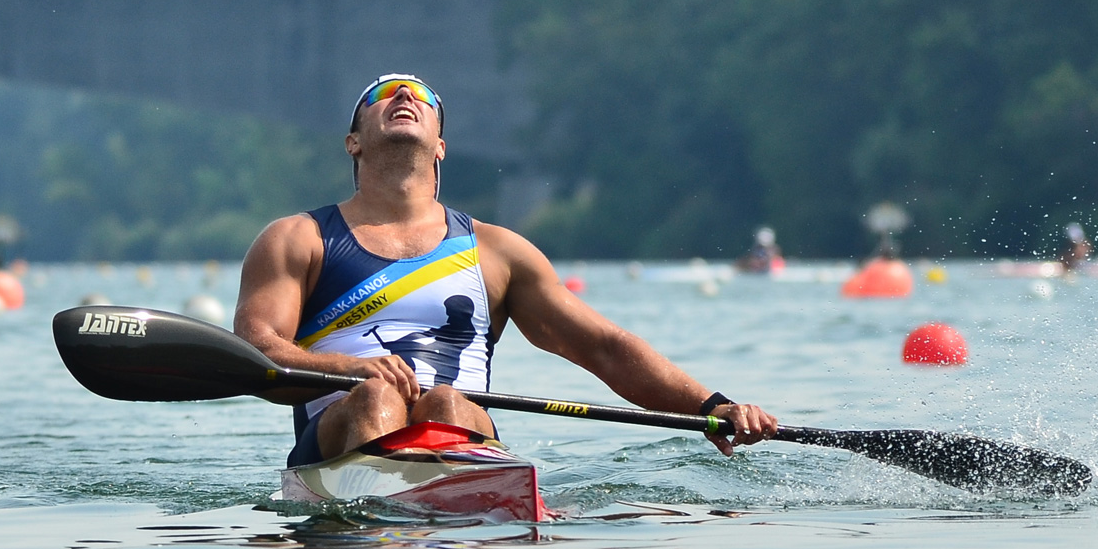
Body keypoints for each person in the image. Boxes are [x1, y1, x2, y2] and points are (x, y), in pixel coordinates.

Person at [234, 73, 778, 469]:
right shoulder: (297, 238)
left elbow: (605, 348)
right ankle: (396, 495)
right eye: (381, 95)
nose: (403, 96)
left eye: (421, 96)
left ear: (441, 146)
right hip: (333, 440)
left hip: (459, 427)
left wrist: (713, 406)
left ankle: (424, 500)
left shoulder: (499, 252)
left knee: (445, 401)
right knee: (376, 398)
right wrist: (347, 370)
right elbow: (257, 350)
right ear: (354, 142)